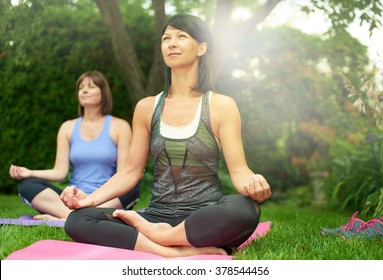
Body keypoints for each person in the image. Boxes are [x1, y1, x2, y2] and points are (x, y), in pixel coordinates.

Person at [61, 14, 271, 258]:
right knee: (78, 220)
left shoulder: (221, 105)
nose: (171, 43)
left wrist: (255, 186)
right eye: (166, 38)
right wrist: (90, 200)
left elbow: (239, 171)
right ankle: (175, 251)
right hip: (156, 215)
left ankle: (164, 237)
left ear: (201, 47)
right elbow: (131, 171)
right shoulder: (147, 107)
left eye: (181, 36)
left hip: (204, 216)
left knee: (245, 209)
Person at [9, 71, 141, 220]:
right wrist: (30, 173)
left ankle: (70, 217)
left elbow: (123, 175)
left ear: (103, 93)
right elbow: (60, 172)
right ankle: (78, 216)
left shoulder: (120, 127)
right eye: (81, 87)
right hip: (72, 199)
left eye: (91, 86)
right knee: (26, 185)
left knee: (133, 185)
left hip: (106, 198)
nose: (84, 90)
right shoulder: (67, 127)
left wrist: (96, 198)